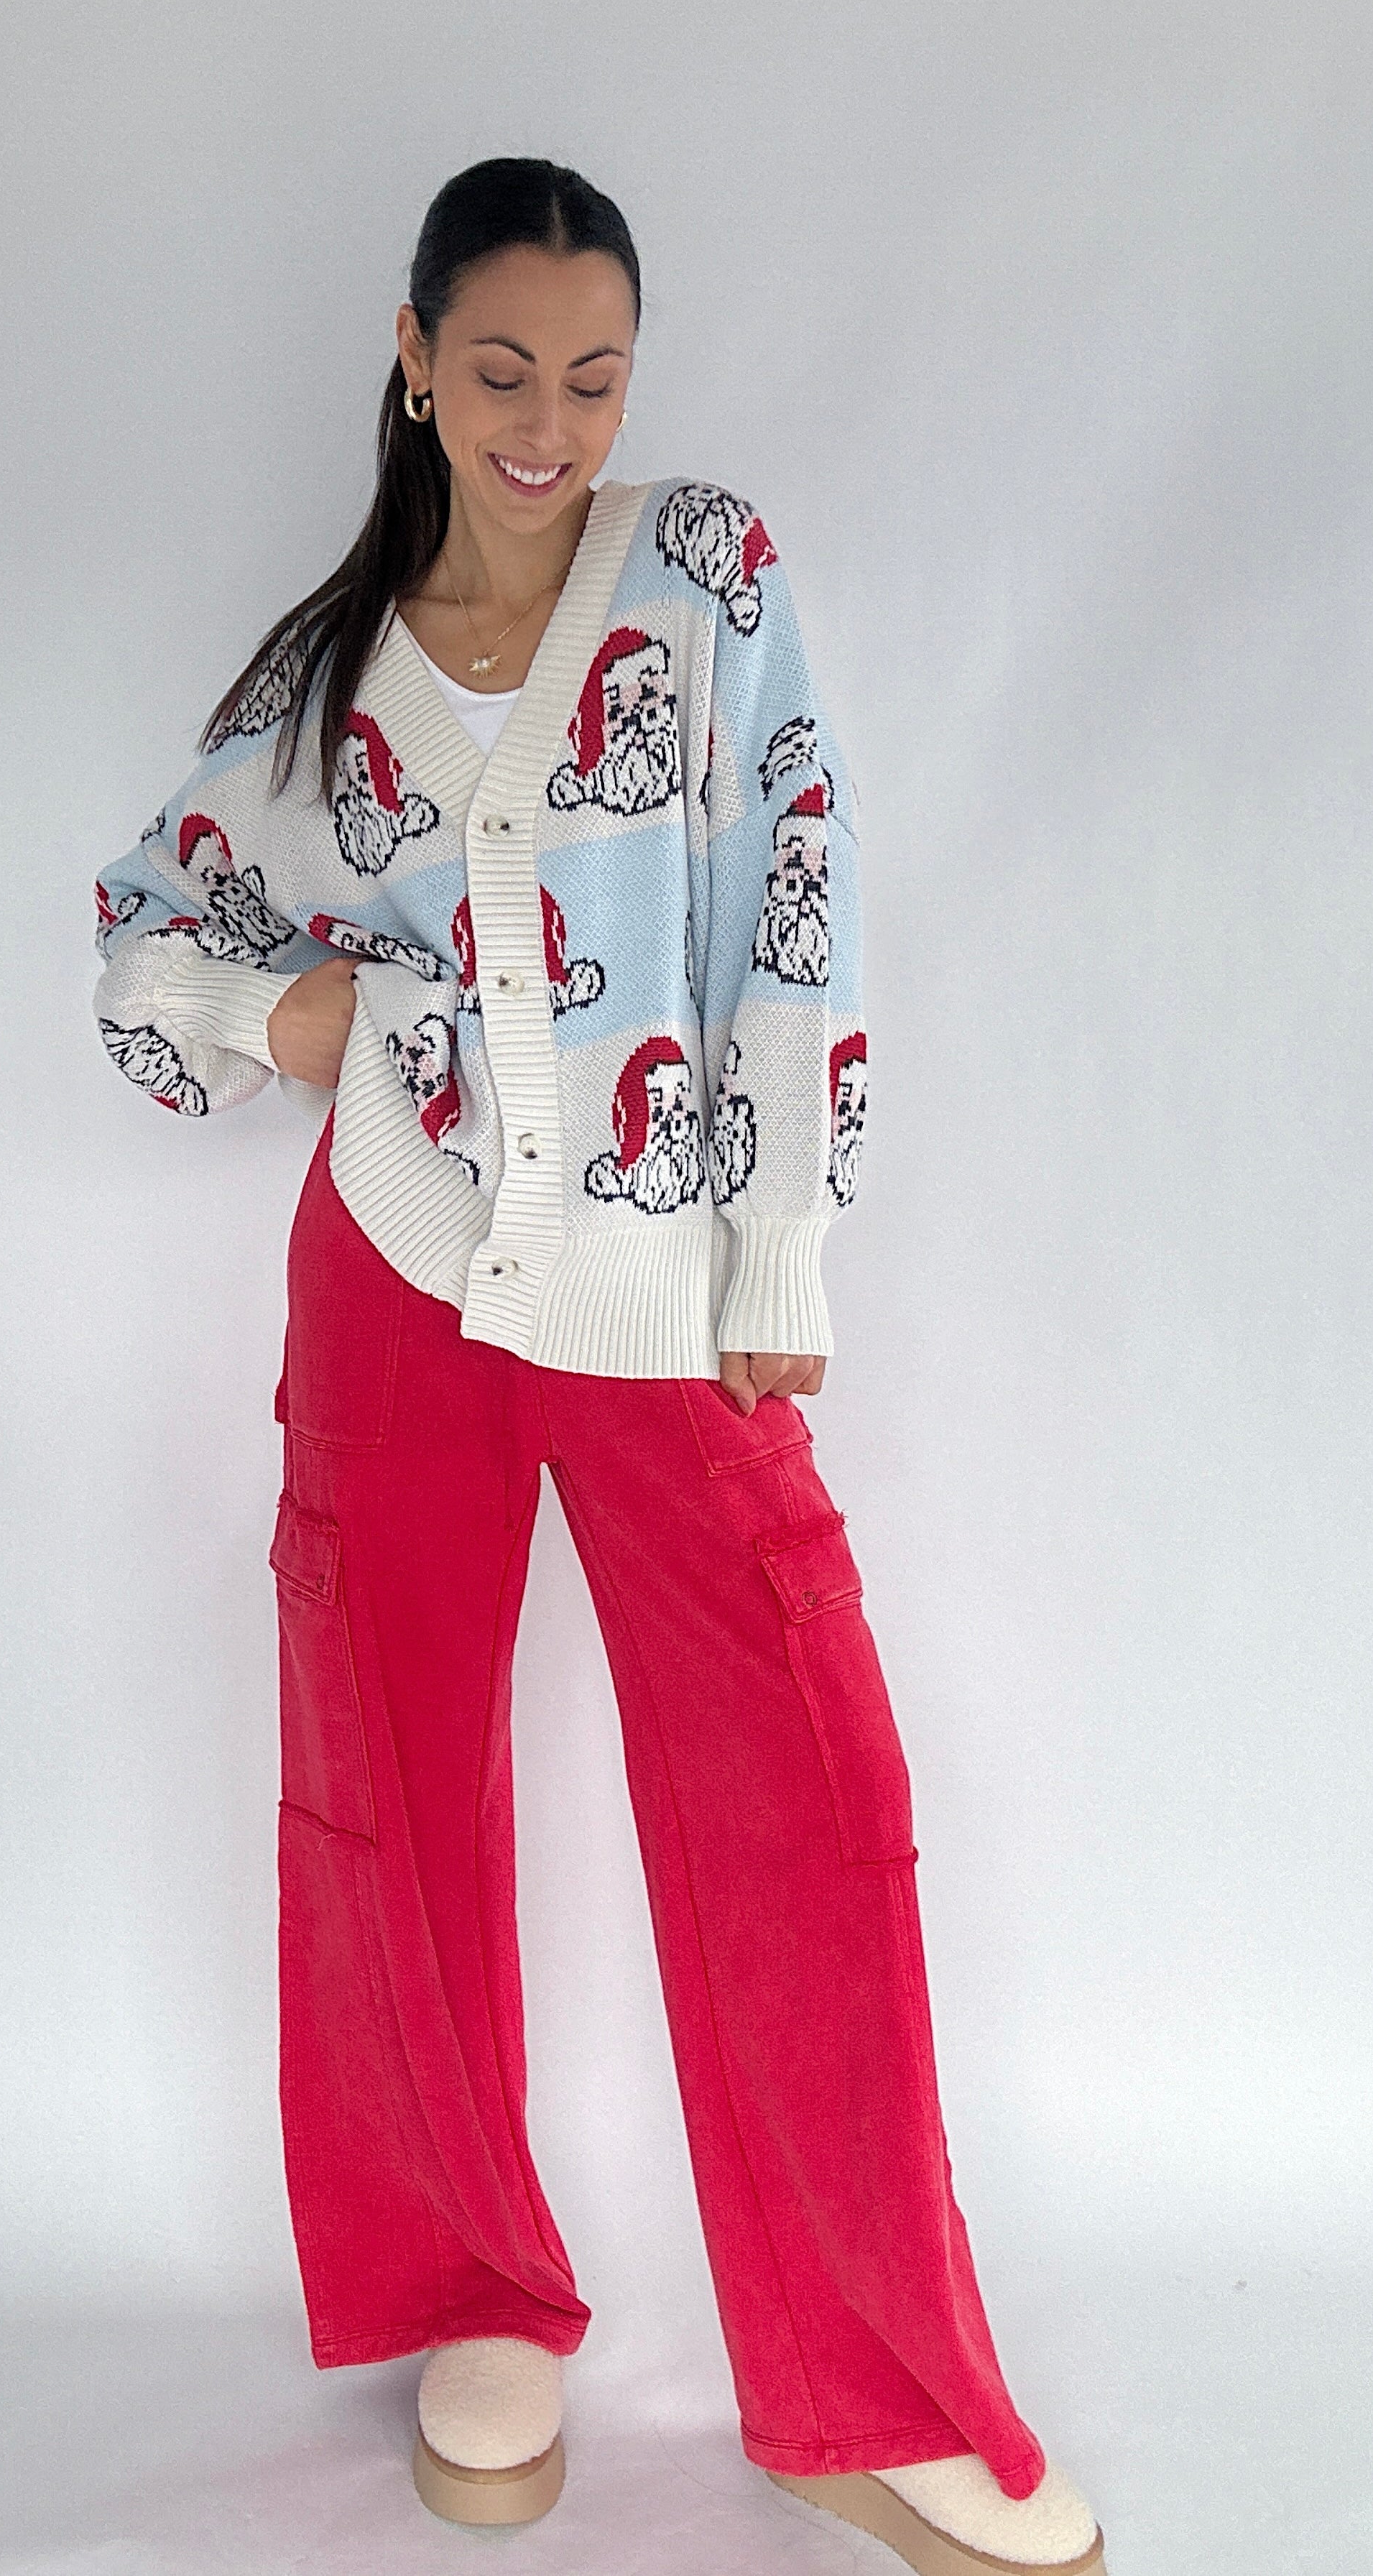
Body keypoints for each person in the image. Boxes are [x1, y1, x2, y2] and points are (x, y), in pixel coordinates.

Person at [89, 155, 1108, 2576]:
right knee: (392, 1793)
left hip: (663, 1298)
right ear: (417, 360)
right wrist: (285, 1009)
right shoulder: (320, 676)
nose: (548, 419)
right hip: (396, 1282)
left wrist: (786, 1248)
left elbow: (793, 899)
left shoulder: (704, 575)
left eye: (594, 373)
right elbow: (140, 957)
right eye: (503, 368)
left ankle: (870, 2383)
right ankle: (473, 2289)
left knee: (802, 1790)